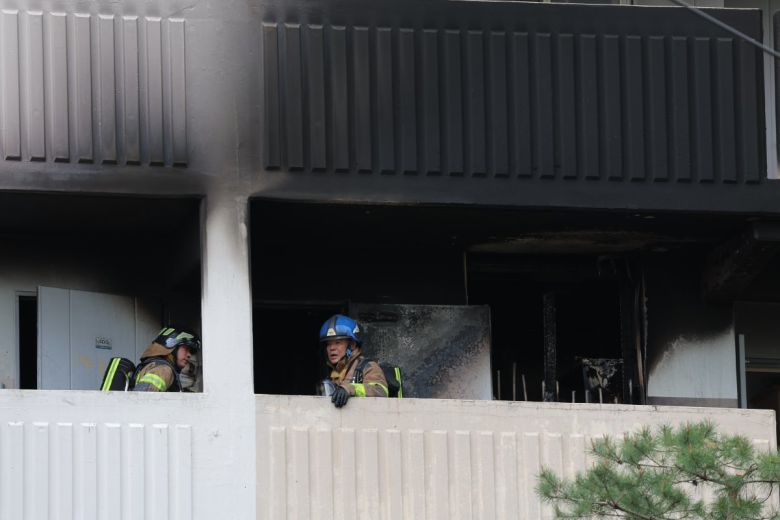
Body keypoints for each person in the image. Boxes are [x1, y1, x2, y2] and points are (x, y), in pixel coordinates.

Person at [320, 314, 388, 407]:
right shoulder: (332, 373)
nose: (332, 348)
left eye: (337, 342)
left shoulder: (367, 366)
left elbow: (381, 391)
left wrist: (350, 389)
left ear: (352, 345)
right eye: (328, 344)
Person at [133, 327, 201, 392]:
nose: (189, 355)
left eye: (190, 351)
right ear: (172, 346)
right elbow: (142, 399)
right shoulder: (163, 370)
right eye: (186, 349)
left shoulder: (155, 365)